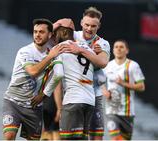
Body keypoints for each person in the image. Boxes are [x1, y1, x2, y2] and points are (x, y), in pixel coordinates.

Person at [2, 18, 67, 140]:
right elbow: (33, 72)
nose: (37, 35)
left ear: (50, 34)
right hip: (13, 101)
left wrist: (43, 94)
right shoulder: (25, 51)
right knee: (9, 136)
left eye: (41, 32)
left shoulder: (53, 54)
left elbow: (58, 75)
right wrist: (50, 57)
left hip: (34, 106)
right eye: (35, 31)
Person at [53, 7, 110, 140]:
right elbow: (51, 32)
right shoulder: (73, 35)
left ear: (99, 26)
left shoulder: (102, 43)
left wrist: (81, 50)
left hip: (95, 94)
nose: (89, 29)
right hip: (74, 92)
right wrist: (64, 22)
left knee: (96, 136)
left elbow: (102, 62)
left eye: (93, 26)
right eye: (87, 25)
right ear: (81, 23)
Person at [32, 25, 97, 140]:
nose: (54, 38)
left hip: (73, 100)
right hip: (90, 101)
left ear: (62, 34)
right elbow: (100, 74)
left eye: (55, 34)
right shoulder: (87, 48)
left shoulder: (59, 48)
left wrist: (44, 94)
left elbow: (58, 75)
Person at [102, 39, 145, 140]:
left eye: (121, 47)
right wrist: (104, 90)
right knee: (115, 138)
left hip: (127, 111)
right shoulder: (108, 66)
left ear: (127, 50)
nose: (118, 49)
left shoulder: (133, 66)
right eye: (116, 47)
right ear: (112, 50)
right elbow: (99, 81)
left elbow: (141, 87)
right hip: (111, 110)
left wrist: (123, 83)